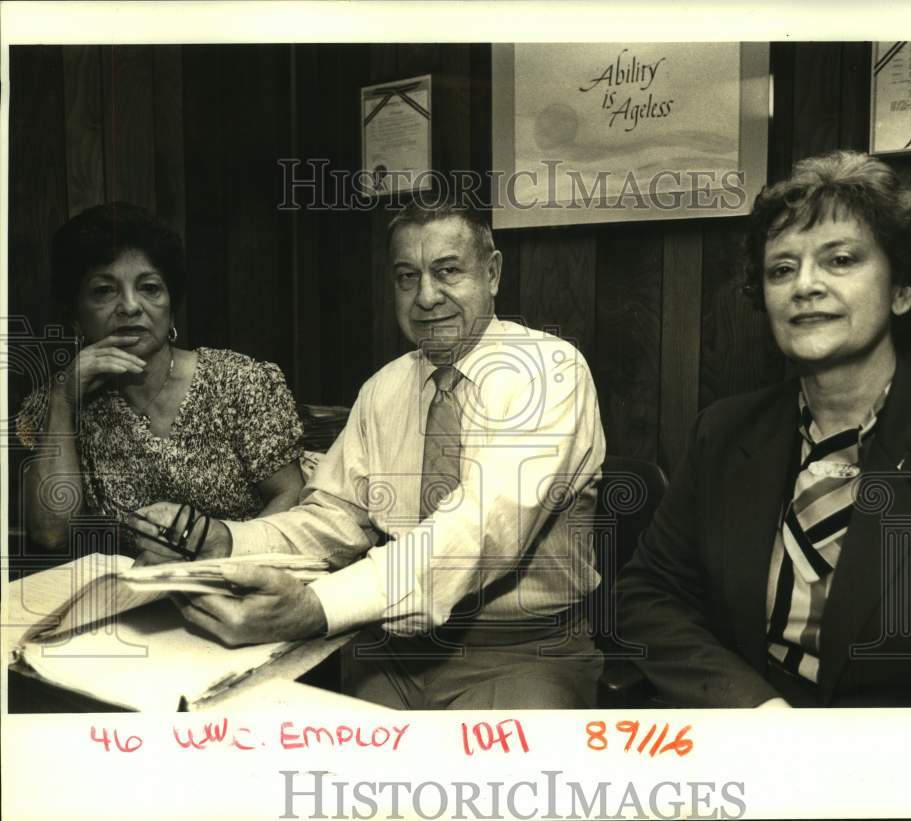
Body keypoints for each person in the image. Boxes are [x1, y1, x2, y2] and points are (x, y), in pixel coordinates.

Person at [130, 201, 607, 710]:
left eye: (447, 271)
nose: (426, 297)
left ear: (491, 273)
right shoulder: (385, 388)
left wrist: (318, 607)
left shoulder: (551, 371)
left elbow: (479, 527)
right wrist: (224, 541)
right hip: (392, 651)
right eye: (407, 277)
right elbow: (331, 520)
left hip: (524, 654)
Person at [615, 151, 911, 708]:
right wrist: (756, 711)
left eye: (840, 260)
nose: (804, 286)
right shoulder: (724, 431)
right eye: (782, 269)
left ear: (902, 290)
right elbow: (648, 594)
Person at [17, 202, 305, 551]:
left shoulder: (240, 383)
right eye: (104, 291)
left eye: (149, 287)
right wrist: (63, 401)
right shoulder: (57, 404)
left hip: (245, 581)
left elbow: (291, 494)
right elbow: (51, 533)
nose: (130, 306)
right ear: (75, 316)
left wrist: (225, 564)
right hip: (138, 592)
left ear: (170, 306)